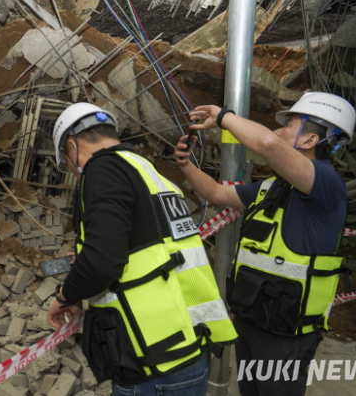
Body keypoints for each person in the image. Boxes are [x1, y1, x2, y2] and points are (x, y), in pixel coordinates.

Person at [46, 102, 237, 396]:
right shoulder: (149, 173)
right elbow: (148, 246)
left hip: (152, 362)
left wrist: (64, 296)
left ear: (72, 146)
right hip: (188, 347)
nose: (75, 172)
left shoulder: (102, 169)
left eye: (69, 164)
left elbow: (103, 261)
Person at [174, 92, 356, 396]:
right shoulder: (274, 187)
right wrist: (186, 165)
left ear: (310, 141)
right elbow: (218, 194)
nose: (276, 131)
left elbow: (268, 145)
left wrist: (223, 117)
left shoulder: (326, 183)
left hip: (286, 331)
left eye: (290, 124)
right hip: (251, 317)